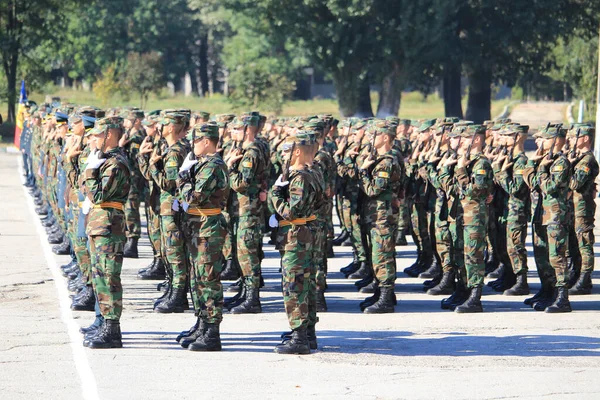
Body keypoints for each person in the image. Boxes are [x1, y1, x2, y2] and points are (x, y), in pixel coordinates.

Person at [176, 122, 230, 351]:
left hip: (208, 226)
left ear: (207, 142)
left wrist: (182, 178)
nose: (192, 145)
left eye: (196, 141)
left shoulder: (212, 165)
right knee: (198, 278)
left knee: (208, 279)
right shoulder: (203, 164)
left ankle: (212, 331)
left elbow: (194, 197)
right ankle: (202, 323)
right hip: (199, 226)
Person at [81, 116, 131, 348]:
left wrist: (90, 171)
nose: (92, 139)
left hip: (109, 224)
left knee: (108, 276)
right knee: (99, 274)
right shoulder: (105, 160)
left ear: (109, 135)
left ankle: (112, 329)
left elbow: (98, 195)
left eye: (97, 135)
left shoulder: (116, 163)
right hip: (99, 223)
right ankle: (103, 322)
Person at [271, 132, 317, 355]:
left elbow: (292, 211)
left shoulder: (299, 177)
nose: (284, 155)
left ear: (297, 152)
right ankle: (307, 333)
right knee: (305, 283)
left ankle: (299, 336)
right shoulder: (312, 172)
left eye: (288, 151)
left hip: (296, 235)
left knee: (294, 285)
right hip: (304, 233)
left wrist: (276, 194)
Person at [522, 125, 572, 312]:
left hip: (555, 216)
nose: (538, 142)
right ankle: (548, 291)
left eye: (543, 139)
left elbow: (548, 187)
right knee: (542, 256)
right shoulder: (545, 161)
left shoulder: (560, 163)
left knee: (556, 256)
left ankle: (562, 297)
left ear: (556, 140)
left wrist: (541, 168)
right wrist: (532, 164)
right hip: (542, 215)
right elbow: (531, 183)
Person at [566, 125, 598, 295]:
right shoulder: (579, 159)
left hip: (582, 209)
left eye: (573, 137)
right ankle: (575, 273)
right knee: (574, 243)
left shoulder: (587, 161)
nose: (570, 140)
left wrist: (567, 167)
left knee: (584, 243)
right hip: (573, 208)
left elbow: (575, 184)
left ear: (585, 138)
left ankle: (585, 279)